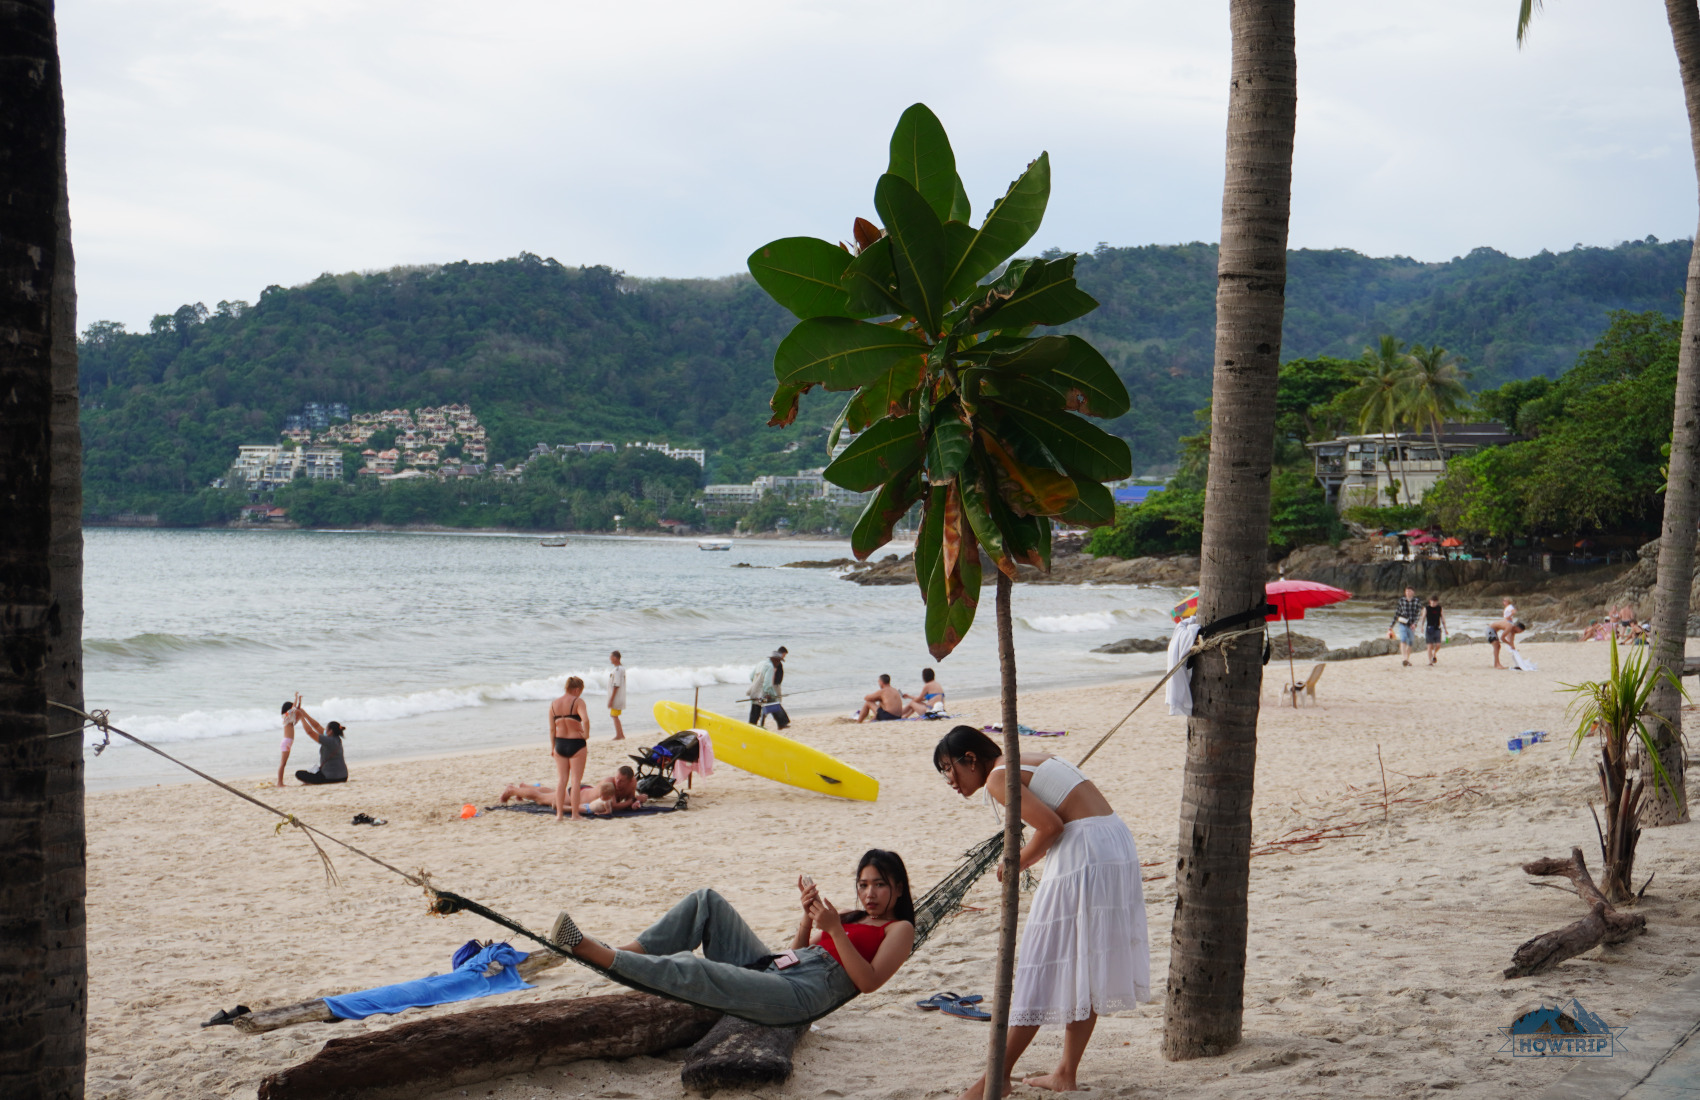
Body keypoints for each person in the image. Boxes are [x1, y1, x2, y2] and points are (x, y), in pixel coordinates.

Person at [932, 727, 1147, 1098]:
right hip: (1111, 841)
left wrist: (1015, 863)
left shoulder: (998, 779)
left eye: (949, 768)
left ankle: (997, 1076)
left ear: (970, 759)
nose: (949, 779)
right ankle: (1065, 1071)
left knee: (1042, 964)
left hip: (1086, 851)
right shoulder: (1023, 759)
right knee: (1084, 962)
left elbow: (1051, 826)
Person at [543, 849, 916, 1027]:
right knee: (706, 901)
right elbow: (796, 954)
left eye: (880, 885)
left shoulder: (899, 929)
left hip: (803, 997)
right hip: (779, 969)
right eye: (864, 885)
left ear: (897, 889)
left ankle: (593, 952)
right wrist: (807, 917)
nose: (870, 894)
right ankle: (621, 951)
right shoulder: (852, 917)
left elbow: (868, 983)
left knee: (699, 970)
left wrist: (834, 930)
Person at [499, 766, 647, 815]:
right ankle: (512, 790)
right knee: (541, 799)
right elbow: (614, 806)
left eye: (621, 781)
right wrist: (632, 801)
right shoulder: (609, 783)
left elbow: (629, 799)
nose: (617, 782)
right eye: (617, 778)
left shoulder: (632, 784)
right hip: (577, 795)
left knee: (552, 792)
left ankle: (526, 787)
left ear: (630, 780)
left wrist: (634, 802)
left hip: (585, 790)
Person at [549, 676, 591, 822]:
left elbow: (552, 729)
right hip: (576, 743)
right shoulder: (577, 701)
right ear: (577, 689)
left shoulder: (554, 704)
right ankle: (575, 815)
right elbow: (585, 719)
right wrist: (586, 734)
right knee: (575, 781)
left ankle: (559, 815)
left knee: (561, 780)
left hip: (560, 744)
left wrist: (552, 748)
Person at [292, 708, 349, 785]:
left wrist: (301, 718)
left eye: (326, 728)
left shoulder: (329, 741)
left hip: (331, 778)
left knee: (299, 773)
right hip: (343, 776)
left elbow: (310, 732)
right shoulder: (337, 739)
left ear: (331, 731)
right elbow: (317, 726)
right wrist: (304, 714)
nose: (325, 730)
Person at [747, 651, 789, 729]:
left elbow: (751, 676)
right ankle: (782, 723)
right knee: (773, 702)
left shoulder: (761, 663)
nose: (778, 663)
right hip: (762, 694)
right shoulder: (770, 667)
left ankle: (752, 725)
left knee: (756, 706)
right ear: (774, 659)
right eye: (778, 661)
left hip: (754, 692)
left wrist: (757, 685)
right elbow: (767, 683)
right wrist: (769, 693)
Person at [1391, 587, 1422, 667]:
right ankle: (1404, 658)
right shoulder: (1402, 601)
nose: (1407, 592)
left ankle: (1407, 659)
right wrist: (1391, 626)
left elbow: (1418, 614)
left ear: (1413, 592)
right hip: (1402, 623)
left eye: (1409, 591)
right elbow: (1397, 613)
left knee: (1410, 642)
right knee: (1403, 639)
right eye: (1406, 591)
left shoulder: (1417, 601)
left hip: (1411, 625)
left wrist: (1415, 624)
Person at [276, 693, 302, 787]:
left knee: (283, 763)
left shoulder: (290, 719)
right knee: (283, 763)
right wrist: (296, 698)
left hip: (288, 743)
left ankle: (280, 782)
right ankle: (279, 783)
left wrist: (299, 700)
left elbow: (297, 710)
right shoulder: (285, 716)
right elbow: (293, 709)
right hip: (286, 742)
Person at [607, 651, 628, 741]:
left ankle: (620, 735)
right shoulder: (619, 669)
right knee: (614, 715)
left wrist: (611, 699)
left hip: (617, 697)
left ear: (615, 658)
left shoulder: (618, 670)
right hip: (618, 696)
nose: (610, 659)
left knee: (614, 716)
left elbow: (616, 685)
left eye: (611, 657)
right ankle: (620, 734)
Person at [1423, 597, 1447, 666]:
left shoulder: (1440, 608)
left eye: (1435, 602)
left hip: (1437, 628)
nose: (1433, 604)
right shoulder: (1426, 608)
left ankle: (1434, 653)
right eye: (1432, 602)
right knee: (1429, 646)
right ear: (1430, 601)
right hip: (1429, 629)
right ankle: (1430, 661)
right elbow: (1423, 617)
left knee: (1438, 645)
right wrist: (1421, 626)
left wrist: (1445, 629)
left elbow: (1443, 618)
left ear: (1437, 602)